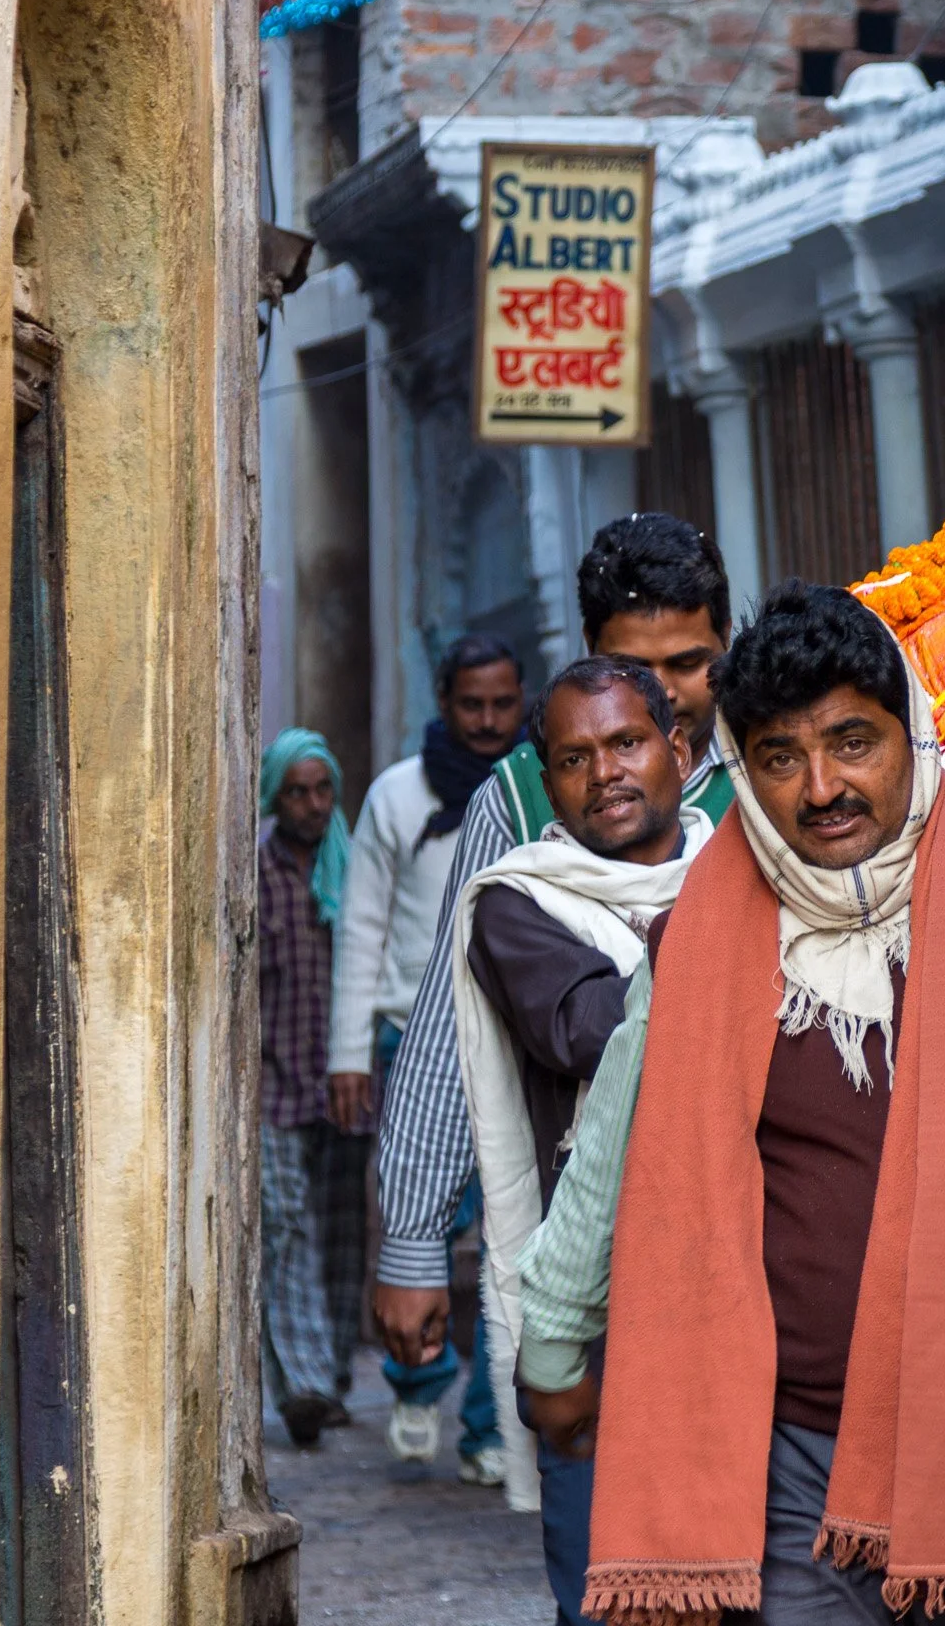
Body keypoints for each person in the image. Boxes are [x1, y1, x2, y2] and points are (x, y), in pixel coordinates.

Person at [511, 583, 945, 1626]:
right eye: (781, 757)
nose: (823, 787)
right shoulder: (706, 921)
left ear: (909, 732)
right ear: (742, 768)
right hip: (775, 1445)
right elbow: (617, 1140)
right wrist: (553, 1339)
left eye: (851, 742)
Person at [372, 514, 735, 1450]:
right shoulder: (520, 798)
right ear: (589, 658)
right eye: (634, 665)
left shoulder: (777, 769)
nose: (668, 693)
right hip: (589, 1214)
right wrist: (413, 1242)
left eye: (691, 662)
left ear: (726, 645)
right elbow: (456, 1022)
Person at [453, 656, 710, 1626]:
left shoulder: (752, 868)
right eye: (573, 757)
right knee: (608, 1602)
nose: (604, 771)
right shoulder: (518, 902)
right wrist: (719, 936)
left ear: (678, 749)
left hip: (745, 1290)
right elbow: (587, 1026)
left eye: (626, 742)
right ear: (546, 782)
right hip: (596, 1305)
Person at [329, 632, 525, 1482]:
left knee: (507, 1235)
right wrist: (349, 1055)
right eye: (471, 704)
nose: (487, 721)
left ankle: (489, 1428)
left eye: (502, 704)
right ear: (444, 703)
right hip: (411, 1036)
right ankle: (417, 1375)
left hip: (513, 1042)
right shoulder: (396, 798)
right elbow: (362, 926)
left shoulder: (541, 786)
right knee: (422, 1226)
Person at [256, 727, 356, 1450]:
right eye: (297, 791)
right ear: (275, 798)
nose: (312, 804)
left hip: (348, 1083)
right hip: (273, 1087)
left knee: (345, 1238)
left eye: (322, 789)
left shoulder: (353, 869)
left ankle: (335, 1378)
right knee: (285, 1229)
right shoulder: (255, 873)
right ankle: (304, 1383)